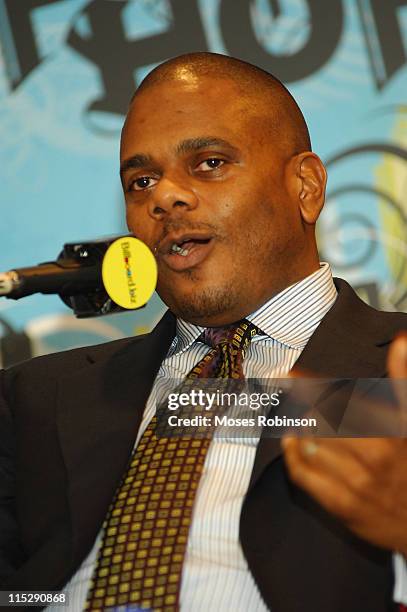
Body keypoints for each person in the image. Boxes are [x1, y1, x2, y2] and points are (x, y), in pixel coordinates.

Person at [0, 52, 406, 612]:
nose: (163, 197)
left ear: (306, 187)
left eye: (210, 163)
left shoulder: (397, 369)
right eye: (141, 181)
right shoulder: (37, 395)